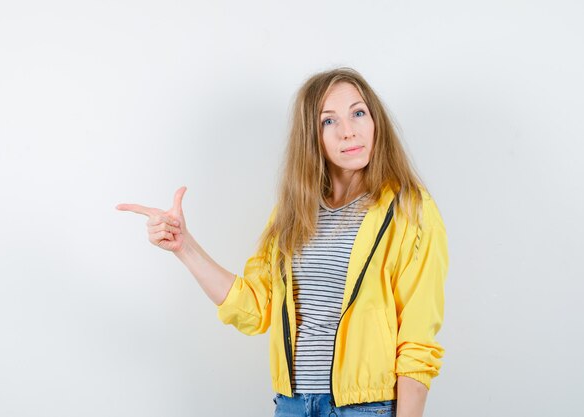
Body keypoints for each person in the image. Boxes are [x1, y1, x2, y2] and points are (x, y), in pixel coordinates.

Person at [116, 67, 449, 417]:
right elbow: (256, 307)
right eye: (328, 121)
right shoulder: (292, 212)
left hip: (365, 408)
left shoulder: (409, 208)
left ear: (375, 120)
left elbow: (417, 339)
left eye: (358, 113)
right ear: (312, 136)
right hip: (292, 405)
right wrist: (184, 246)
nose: (349, 131)